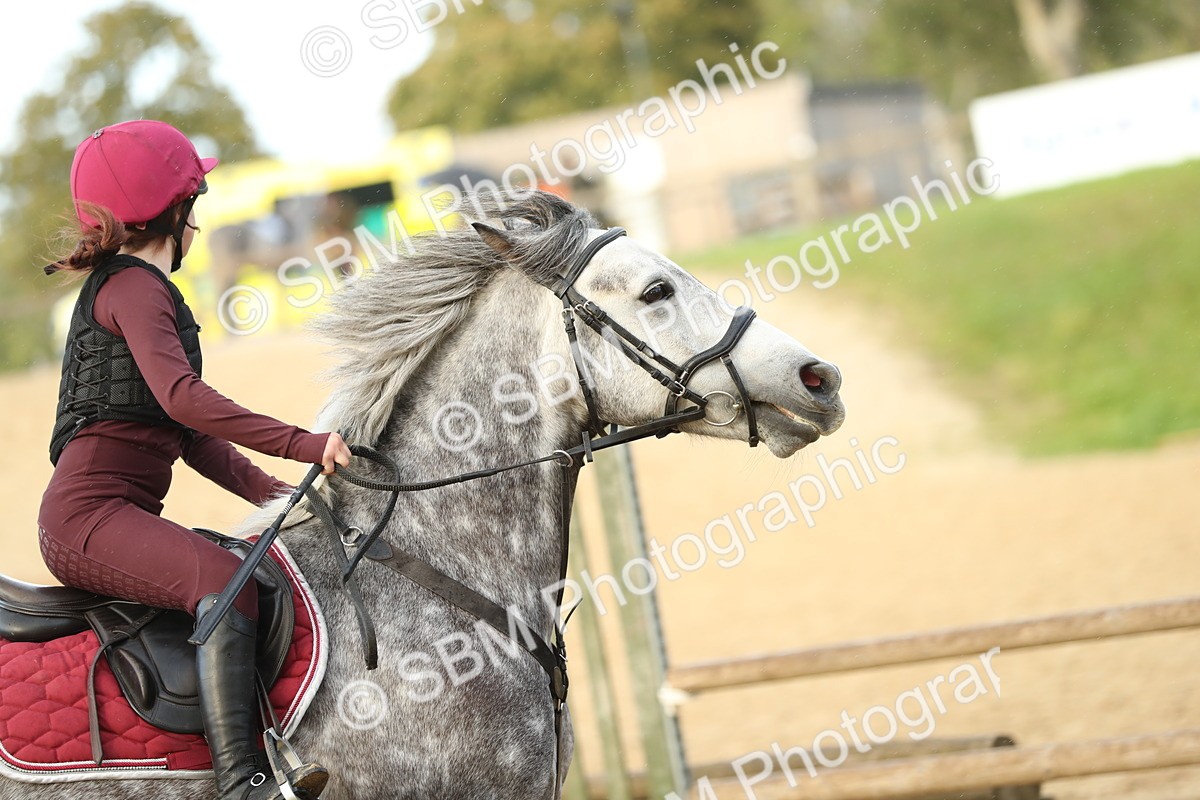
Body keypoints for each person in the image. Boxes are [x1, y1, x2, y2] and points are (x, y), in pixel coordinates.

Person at [37, 120, 348, 800]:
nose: (199, 226)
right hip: (86, 518)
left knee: (245, 570)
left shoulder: (139, 290)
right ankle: (244, 783)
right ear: (175, 211)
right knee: (223, 581)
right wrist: (308, 442)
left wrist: (284, 495)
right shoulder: (136, 289)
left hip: (100, 514)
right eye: (195, 208)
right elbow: (184, 400)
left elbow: (192, 440)